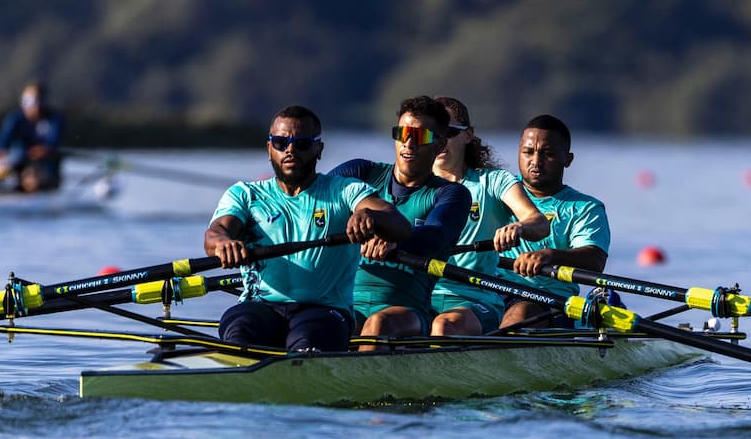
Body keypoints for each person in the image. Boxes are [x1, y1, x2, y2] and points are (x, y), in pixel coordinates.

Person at [205, 105, 411, 352]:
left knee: (307, 341)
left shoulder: (344, 190)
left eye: (301, 144)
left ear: (319, 149)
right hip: (261, 305)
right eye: (281, 143)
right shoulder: (245, 194)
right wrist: (223, 244)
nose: (290, 150)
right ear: (269, 149)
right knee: (238, 330)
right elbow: (215, 234)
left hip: (325, 310)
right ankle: (235, 367)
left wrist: (368, 215)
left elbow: (399, 224)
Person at [329, 96, 472, 346]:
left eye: (420, 136)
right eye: (402, 133)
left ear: (439, 145)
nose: (408, 143)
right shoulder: (360, 173)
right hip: (344, 302)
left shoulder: (451, 194)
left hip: (407, 311)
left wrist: (393, 239)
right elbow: (313, 201)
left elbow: (434, 235)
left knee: (378, 323)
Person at [429, 96, 551, 336]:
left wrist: (519, 228)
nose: (440, 140)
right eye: (432, 133)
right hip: (418, 295)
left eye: (449, 132)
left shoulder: (492, 182)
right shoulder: (409, 184)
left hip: (474, 299)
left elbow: (539, 223)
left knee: (443, 327)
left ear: (468, 135)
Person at [497, 114, 611, 329]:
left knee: (521, 313)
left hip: (548, 303)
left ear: (568, 159)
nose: (535, 162)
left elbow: (595, 260)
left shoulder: (585, 207)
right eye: (528, 152)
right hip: (488, 293)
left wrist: (551, 256)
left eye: (547, 154)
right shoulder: (498, 193)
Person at [0, 81, 64, 193]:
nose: (32, 106)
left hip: (46, 166)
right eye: (27, 101)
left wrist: (44, 150)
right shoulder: (15, 119)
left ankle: (33, 184)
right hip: (20, 163)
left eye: (36, 101)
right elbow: (2, 144)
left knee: (34, 177)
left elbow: (52, 144)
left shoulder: (55, 119)